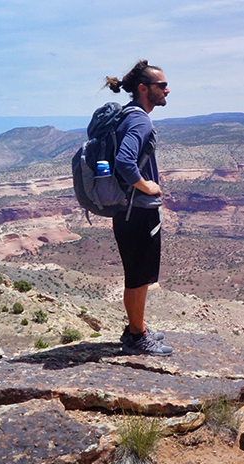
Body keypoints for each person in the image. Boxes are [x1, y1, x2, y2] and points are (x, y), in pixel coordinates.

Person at [102, 60, 173, 356]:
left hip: (126, 209)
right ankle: (136, 337)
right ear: (144, 89)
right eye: (162, 86)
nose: (167, 90)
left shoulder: (127, 115)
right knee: (138, 277)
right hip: (137, 210)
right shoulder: (141, 120)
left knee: (137, 274)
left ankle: (137, 326)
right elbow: (125, 162)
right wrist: (147, 186)